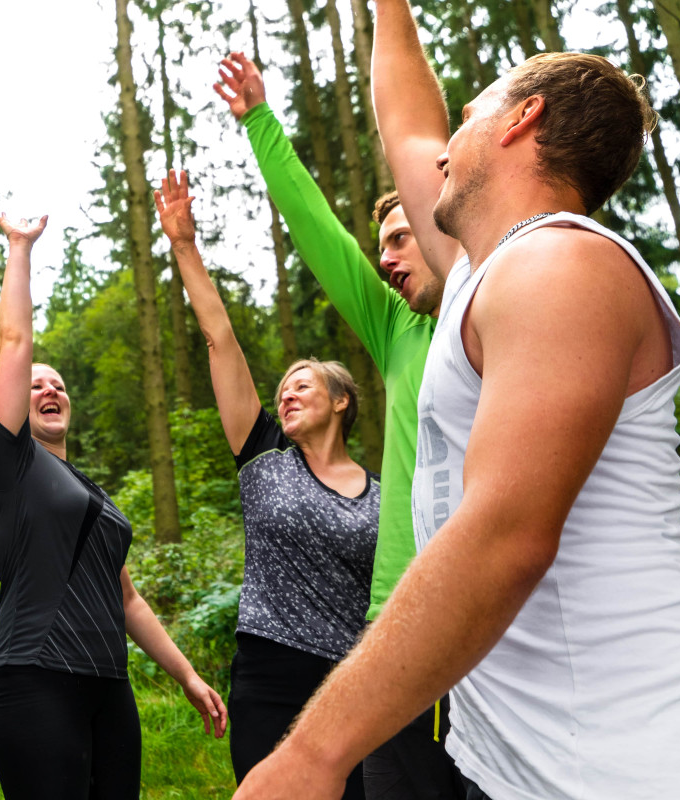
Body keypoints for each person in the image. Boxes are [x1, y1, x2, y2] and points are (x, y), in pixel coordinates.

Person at [232, 1, 680, 798]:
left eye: (470, 115)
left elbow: (504, 538)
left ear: (524, 119)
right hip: (521, 765)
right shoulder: (482, 276)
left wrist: (312, 754)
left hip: (631, 761)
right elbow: (406, 121)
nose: (442, 146)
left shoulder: (563, 264)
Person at [214, 53, 461, 799]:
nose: (384, 259)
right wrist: (259, 121)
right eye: (380, 244)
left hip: (500, 619)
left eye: (399, 237)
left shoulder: (499, 307)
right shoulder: (397, 329)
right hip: (402, 625)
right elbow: (317, 230)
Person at [0, 208, 227, 799]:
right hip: (36, 678)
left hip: (107, 684)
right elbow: (14, 343)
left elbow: (126, 596)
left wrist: (187, 676)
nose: (49, 389)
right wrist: (20, 249)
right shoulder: (11, 465)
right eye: (36, 384)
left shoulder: (90, 491)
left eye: (59, 384)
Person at [154, 170, 377, 796]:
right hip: (270, 675)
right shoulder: (264, 458)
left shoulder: (385, 493)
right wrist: (184, 245)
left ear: (341, 402)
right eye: (282, 388)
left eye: (303, 383)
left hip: (352, 683)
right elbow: (219, 340)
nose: (286, 390)